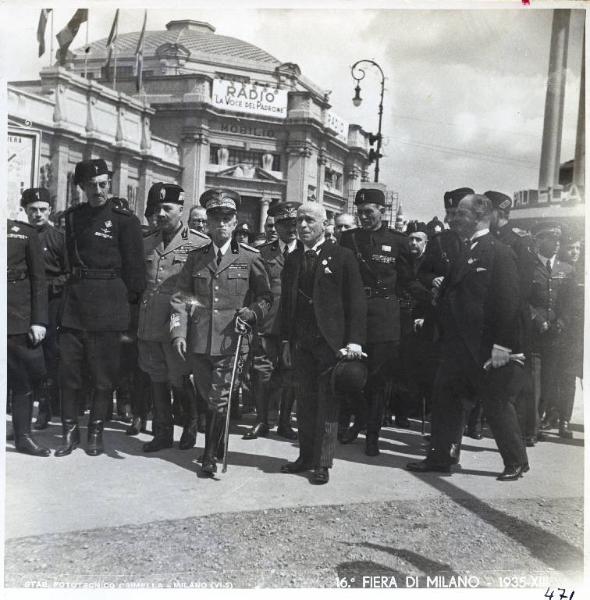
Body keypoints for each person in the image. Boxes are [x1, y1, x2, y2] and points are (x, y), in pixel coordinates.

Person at [407, 194, 529, 480]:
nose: (453, 219)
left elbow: (508, 303)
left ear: (480, 216)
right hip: (455, 344)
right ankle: (441, 457)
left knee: (497, 403)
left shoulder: (498, 252)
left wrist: (502, 346)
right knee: (445, 400)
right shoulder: (465, 248)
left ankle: (516, 461)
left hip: (484, 346)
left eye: (460, 214)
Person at [170, 188, 273, 476]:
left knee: (221, 398)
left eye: (227, 218)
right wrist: (179, 332)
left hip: (232, 340)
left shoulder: (250, 258)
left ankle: (209, 454)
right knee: (207, 397)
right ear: (209, 222)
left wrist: (251, 313)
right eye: (215, 219)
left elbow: (265, 297)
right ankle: (219, 442)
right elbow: (181, 297)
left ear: (235, 221)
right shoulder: (196, 258)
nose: (221, 225)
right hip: (200, 341)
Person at [55, 158, 146, 457]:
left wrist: (128, 319)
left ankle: (95, 432)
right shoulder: (72, 218)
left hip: (109, 306)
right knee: (68, 372)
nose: (98, 190)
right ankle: (70, 432)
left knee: (103, 374)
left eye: (103, 184)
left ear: (110, 183)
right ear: (81, 187)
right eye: (92, 185)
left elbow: (135, 275)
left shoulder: (125, 221)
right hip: (76, 305)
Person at [279, 203, 366, 484]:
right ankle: (305, 456)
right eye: (299, 221)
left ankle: (322, 462)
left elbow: (356, 302)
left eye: (310, 220)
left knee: (328, 404)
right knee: (304, 402)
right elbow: (286, 303)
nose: (303, 226)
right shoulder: (292, 259)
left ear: (324, 224)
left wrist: (353, 341)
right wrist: (284, 339)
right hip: (301, 342)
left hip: (330, 343)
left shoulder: (342, 256)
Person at [137, 183, 210, 452]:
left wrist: (186, 317)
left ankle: (190, 424)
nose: (162, 214)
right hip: (148, 322)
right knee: (156, 378)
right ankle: (162, 432)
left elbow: (201, 294)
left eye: (168, 208)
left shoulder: (199, 244)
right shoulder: (147, 241)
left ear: (181, 209)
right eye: (157, 209)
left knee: (178, 378)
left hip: (176, 325)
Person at [339, 187, 410, 456]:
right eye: (359, 213)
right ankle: (361, 416)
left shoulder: (398, 242)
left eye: (369, 212)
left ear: (382, 211)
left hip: (384, 318)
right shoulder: (348, 239)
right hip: (353, 315)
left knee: (379, 381)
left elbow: (406, 280)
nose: (364, 217)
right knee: (350, 376)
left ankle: (372, 435)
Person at [243, 201, 303, 441]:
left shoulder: (306, 251)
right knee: (262, 371)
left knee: (291, 373)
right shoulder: (263, 254)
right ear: (274, 226)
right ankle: (261, 420)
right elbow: (257, 290)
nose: (290, 229)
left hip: (296, 324)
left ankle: (285, 421)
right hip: (268, 323)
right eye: (284, 224)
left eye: (293, 223)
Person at [21, 188, 67, 430]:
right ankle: (22, 414)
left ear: (49, 210)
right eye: (32, 210)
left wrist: (48, 286)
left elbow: (68, 274)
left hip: (51, 304)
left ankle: (46, 410)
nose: (37, 214)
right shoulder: (19, 235)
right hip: (24, 305)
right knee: (23, 357)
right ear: (25, 211)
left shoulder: (58, 238)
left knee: (49, 358)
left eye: (42, 209)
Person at [525, 221, 575, 439]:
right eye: (550, 239)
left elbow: (570, 303)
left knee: (549, 381)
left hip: (556, 335)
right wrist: (537, 319)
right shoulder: (528, 267)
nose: (556, 243)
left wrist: (561, 323)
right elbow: (522, 299)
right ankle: (531, 428)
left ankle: (539, 421)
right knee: (534, 381)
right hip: (534, 333)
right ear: (539, 240)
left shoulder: (567, 270)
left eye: (558, 239)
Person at [7, 218, 50, 456]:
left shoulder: (24, 233)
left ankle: (23, 436)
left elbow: (38, 279)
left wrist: (38, 320)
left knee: (22, 379)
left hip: (17, 316)